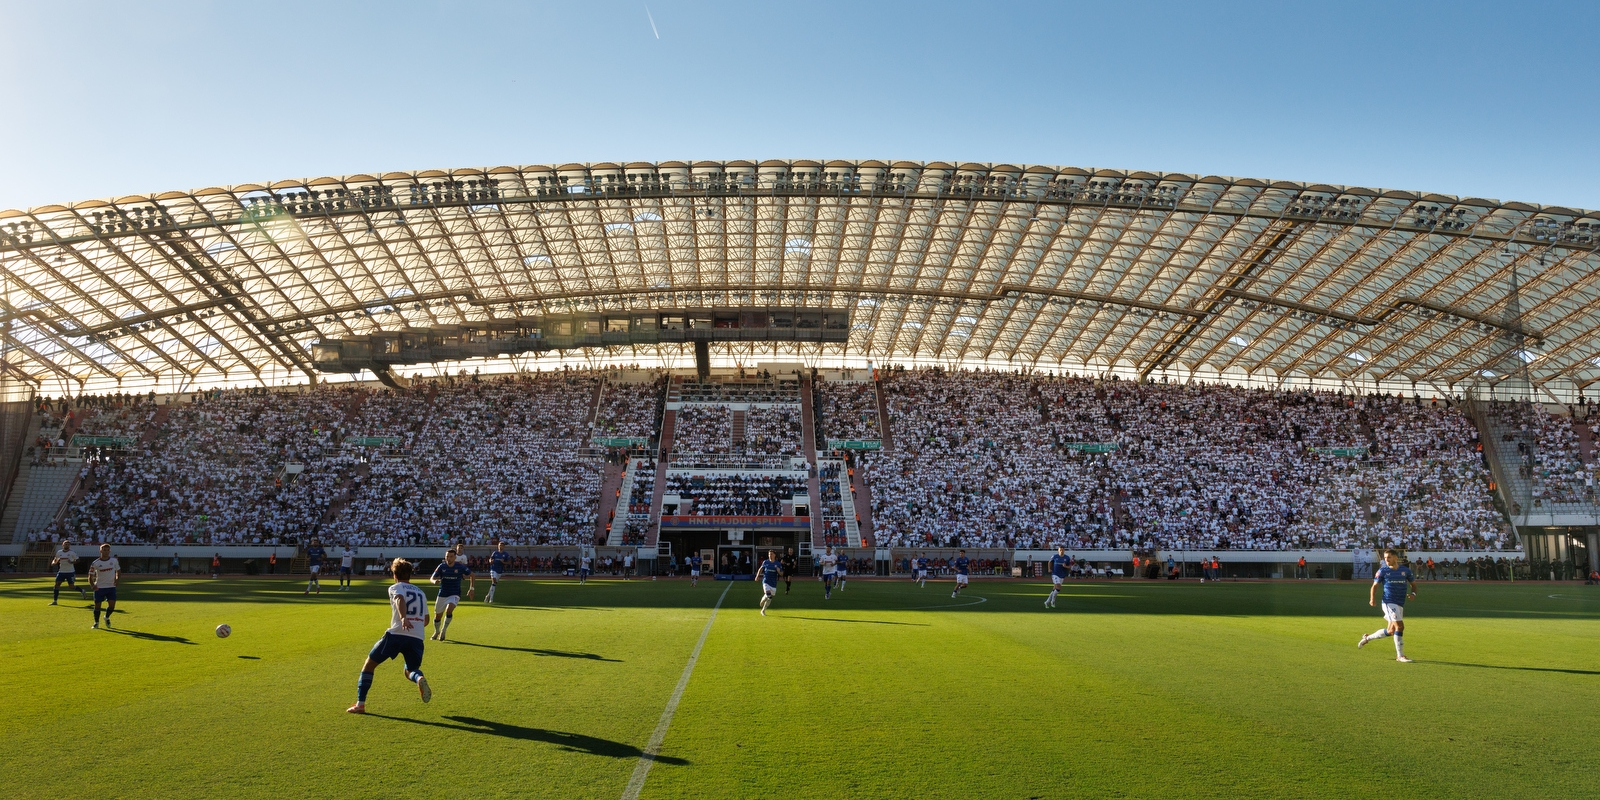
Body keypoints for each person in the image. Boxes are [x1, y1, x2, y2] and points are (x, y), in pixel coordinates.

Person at [347, 558, 432, 714]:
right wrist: (414, 624)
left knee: (369, 665)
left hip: (397, 634)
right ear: (411, 574)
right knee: (411, 670)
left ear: (394, 574)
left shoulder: (395, 587)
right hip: (417, 636)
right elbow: (426, 620)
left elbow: (399, 599)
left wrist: (404, 618)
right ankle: (419, 678)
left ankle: (360, 704)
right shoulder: (421, 592)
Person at [1358, 549, 1417, 662]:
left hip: (1400, 603)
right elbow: (1374, 586)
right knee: (1400, 627)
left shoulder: (1405, 571)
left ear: (1395, 558)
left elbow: (1413, 585)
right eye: (1385, 558)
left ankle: (1367, 638)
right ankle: (1400, 656)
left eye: (1389, 557)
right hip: (1388, 602)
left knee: (1391, 631)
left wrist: (1413, 594)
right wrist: (1372, 599)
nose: (1386, 560)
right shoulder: (1383, 571)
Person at [429, 549, 474, 642]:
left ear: (455, 557)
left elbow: (472, 575)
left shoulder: (460, 566)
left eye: (450, 557)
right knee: (437, 616)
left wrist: (471, 589)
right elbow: (432, 578)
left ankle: (443, 630)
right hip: (442, 593)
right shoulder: (441, 566)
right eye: (447, 557)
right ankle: (436, 631)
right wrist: (434, 581)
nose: (448, 558)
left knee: (449, 610)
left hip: (454, 593)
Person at [89, 544, 119, 630]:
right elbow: (90, 575)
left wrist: (117, 579)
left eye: (107, 550)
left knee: (112, 606)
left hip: (111, 587)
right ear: (100, 551)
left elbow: (118, 571)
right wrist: (92, 585)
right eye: (104, 550)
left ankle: (106, 617)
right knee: (97, 606)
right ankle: (96, 623)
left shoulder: (114, 561)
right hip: (99, 587)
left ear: (110, 551)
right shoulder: (95, 563)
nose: (106, 551)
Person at [50, 539, 85, 605]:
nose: (67, 545)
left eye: (68, 544)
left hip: (70, 572)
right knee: (57, 585)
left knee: (71, 586)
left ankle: (82, 591)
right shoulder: (59, 552)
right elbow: (55, 559)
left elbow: (78, 560)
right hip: (61, 571)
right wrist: (53, 563)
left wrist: (72, 562)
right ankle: (55, 601)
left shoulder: (72, 553)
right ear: (63, 545)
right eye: (66, 544)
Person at [754, 549, 782, 617]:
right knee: (768, 594)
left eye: (771, 554)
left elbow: (781, 574)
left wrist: (778, 571)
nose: (770, 555)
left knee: (770, 598)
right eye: (769, 554)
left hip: (773, 583)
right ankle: (763, 600)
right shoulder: (765, 562)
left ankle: (763, 610)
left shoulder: (778, 564)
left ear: (774, 555)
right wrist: (757, 576)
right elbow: (760, 569)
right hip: (766, 581)